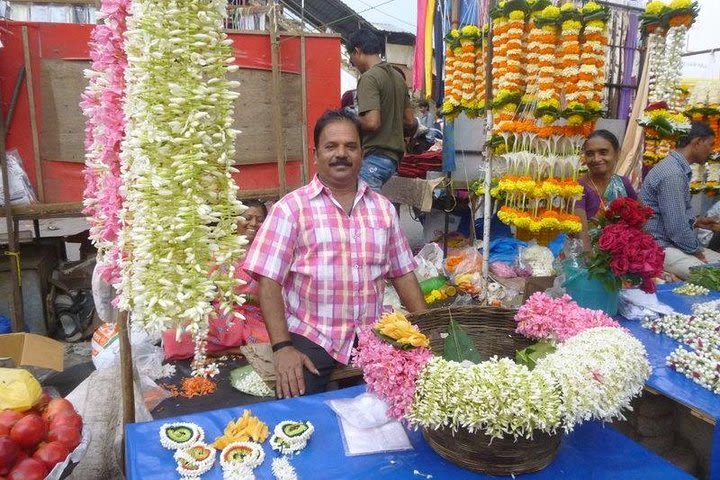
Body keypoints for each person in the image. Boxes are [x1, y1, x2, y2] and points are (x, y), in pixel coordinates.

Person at [244, 109, 427, 398]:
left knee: (399, 400)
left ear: (362, 153)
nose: (341, 154)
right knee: (300, 404)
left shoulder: (382, 209)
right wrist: (282, 347)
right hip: (314, 333)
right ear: (316, 155)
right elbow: (268, 281)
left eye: (350, 146)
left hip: (371, 334)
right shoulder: (291, 209)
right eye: (331, 147)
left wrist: (428, 330)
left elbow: (403, 273)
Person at [161, 199, 270, 359]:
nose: (253, 224)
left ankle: (227, 350)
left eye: (260, 220)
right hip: (223, 312)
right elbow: (205, 286)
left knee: (274, 340)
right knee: (174, 335)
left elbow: (273, 296)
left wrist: (242, 298)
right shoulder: (220, 251)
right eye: (248, 218)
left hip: (255, 315)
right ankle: (233, 348)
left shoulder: (269, 252)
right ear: (236, 221)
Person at [639, 121, 720, 279]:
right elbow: (676, 228)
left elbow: (669, 216)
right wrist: (696, 251)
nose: (711, 151)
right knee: (712, 278)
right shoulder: (673, 174)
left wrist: (696, 222)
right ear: (697, 142)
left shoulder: (675, 168)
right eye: (710, 145)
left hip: (669, 243)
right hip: (659, 246)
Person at [346, 28, 418, 192]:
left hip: (375, 158)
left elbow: (372, 123)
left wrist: (349, 117)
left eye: (352, 60)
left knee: (365, 211)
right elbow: (409, 121)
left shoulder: (369, 77)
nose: (353, 65)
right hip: (393, 161)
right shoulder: (398, 77)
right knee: (379, 209)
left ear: (357, 51)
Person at [575, 130, 637, 250]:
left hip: (621, 252)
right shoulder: (578, 188)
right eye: (590, 154)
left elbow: (639, 219)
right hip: (589, 256)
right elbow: (581, 232)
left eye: (603, 152)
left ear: (618, 154)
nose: (596, 159)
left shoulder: (623, 184)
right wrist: (591, 263)